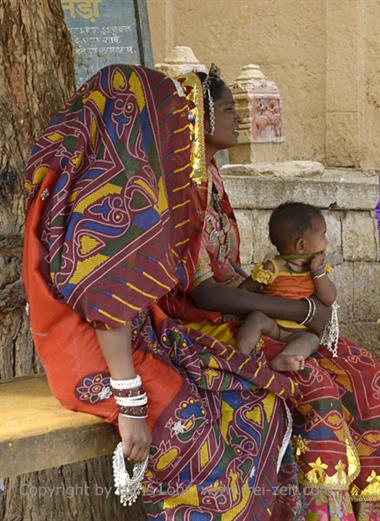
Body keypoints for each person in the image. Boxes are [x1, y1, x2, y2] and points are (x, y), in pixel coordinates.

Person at [22, 64, 379, 521]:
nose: (175, 127)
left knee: (336, 378)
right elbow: (112, 304)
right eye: (171, 116)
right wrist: (131, 405)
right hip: (98, 352)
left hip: (140, 335)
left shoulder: (141, 185)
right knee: (237, 414)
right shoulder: (111, 199)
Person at [236, 202, 337, 372]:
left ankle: (286, 358)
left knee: (312, 340)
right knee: (255, 318)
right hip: (271, 325)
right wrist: (232, 312)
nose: (326, 242)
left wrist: (317, 272)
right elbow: (244, 291)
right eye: (323, 235)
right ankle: (240, 355)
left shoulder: (318, 269)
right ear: (301, 245)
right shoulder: (272, 268)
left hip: (299, 332)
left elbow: (328, 298)